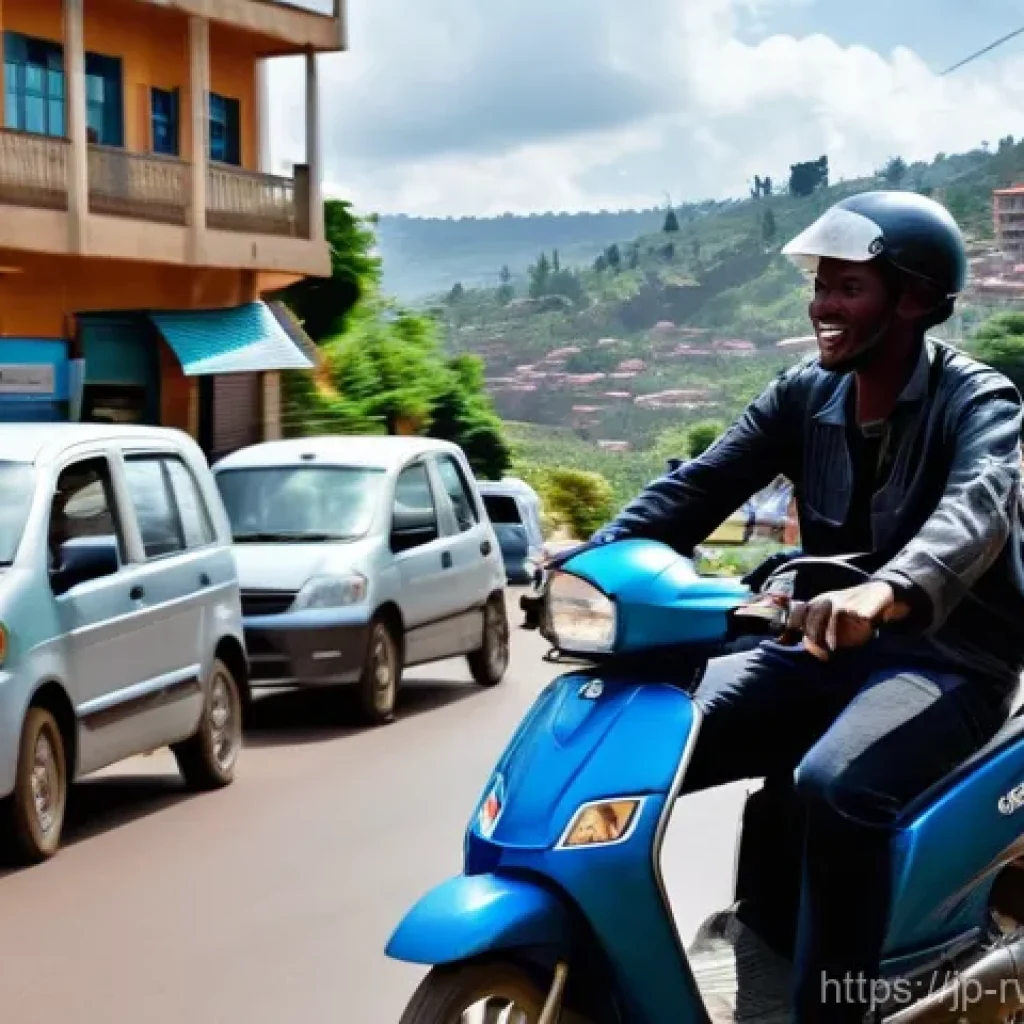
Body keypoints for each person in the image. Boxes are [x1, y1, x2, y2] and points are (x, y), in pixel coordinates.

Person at [585, 191, 1024, 1022]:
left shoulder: (980, 401)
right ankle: (730, 950)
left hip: (947, 659)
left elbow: (976, 507)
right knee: (650, 744)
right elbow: (698, 486)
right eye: (819, 284)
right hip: (821, 645)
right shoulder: (801, 396)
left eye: (847, 286)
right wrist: (589, 558)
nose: (822, 304)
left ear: (916, 300)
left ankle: (832, 1007)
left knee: (832, 785)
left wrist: (888, 588)